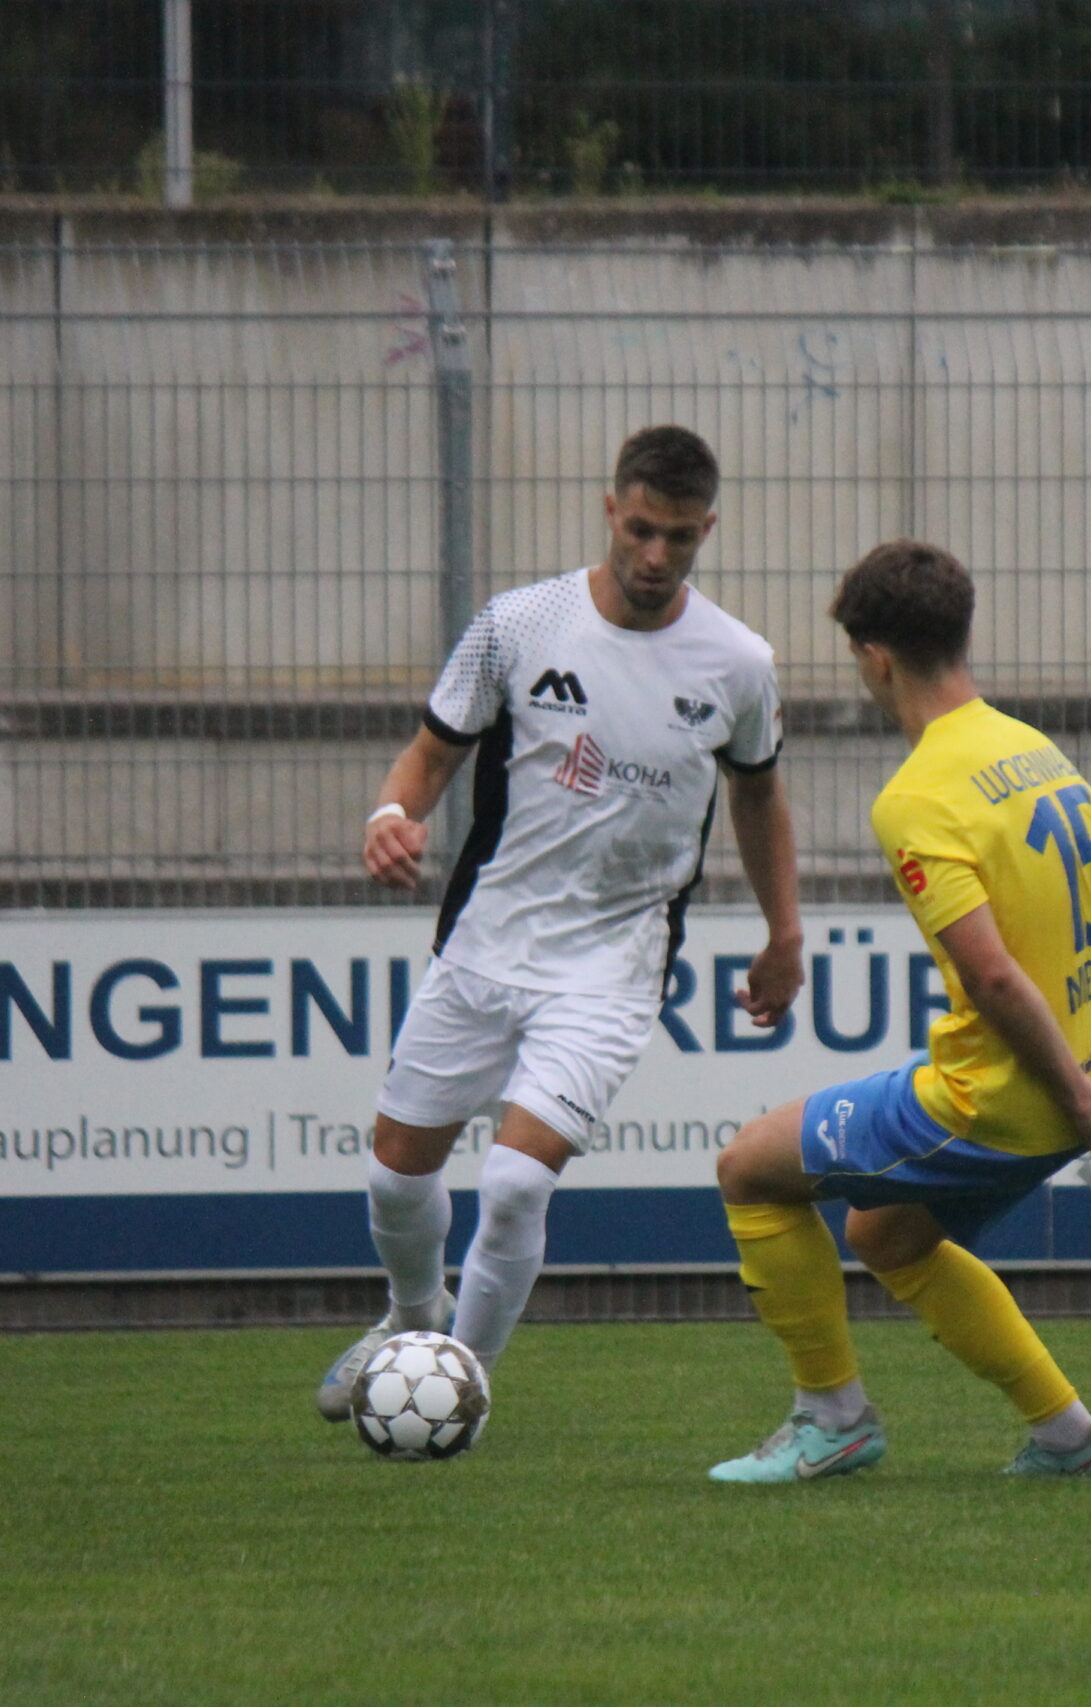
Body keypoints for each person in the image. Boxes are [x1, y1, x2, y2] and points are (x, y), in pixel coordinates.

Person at [315, 424, 804, 1422]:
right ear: (609, 507)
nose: (655, 555)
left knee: (513, 1187)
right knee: (394, 1179)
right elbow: (431, 757)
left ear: (707, 528)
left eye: (678, 536)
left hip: (613, 962)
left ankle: (457, 1387)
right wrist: (387, 819)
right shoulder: (518, 625)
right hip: (488, 940)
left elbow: (757, 796)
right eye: (639, 529)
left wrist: (783, 935)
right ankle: (412, 1316)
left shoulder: (738, 663)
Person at [707, 539, 1091, 1482]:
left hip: (992, 1100)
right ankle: (1072, 1437)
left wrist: (1078, 1093)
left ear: (874, 656)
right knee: (887, 1233)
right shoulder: (1037, 751)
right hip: (1069, 1093)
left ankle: (832, 1418)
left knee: (749, 1166)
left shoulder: (918, 796)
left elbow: (992, 980)